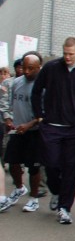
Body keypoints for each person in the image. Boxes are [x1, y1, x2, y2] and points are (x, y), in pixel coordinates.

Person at [31, 37, 75, 225]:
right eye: (65, 53)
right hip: (51, 127)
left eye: (71, 54)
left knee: (71, 169)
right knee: (51, 164)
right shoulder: (51, 69)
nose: (67, 57)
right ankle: (57, 191)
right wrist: (40, 116)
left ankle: (64, 208)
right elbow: (36, 91)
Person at [0, 53, 43, 212]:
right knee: (12, 163)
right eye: (24, 68)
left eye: (30, 68)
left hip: (35, 132)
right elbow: (7, 105)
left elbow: (45, 114)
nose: (26, 71)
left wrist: (29, 124)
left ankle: (33, 198)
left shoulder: (43, 87)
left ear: (39, 68)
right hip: (18, 131)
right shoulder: (15, 83)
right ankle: (19, 187)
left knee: (34, 168)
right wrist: (8, 119)